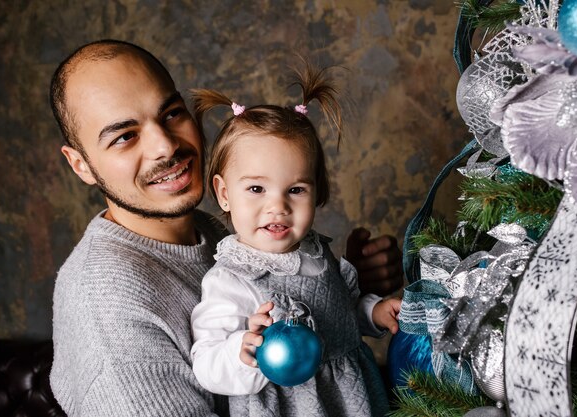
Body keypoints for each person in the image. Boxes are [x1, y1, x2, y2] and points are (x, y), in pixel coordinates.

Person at [48, 39, 403, 417]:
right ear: (80, 164)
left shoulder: (220, 231)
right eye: (124, 136)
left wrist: (347, 289)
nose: (164, 147)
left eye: (170, 114)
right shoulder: (106, 308)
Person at [189, 63, 402, 417]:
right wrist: (241, 350)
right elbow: (207, 362)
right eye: (256, 188)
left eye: (296, 189)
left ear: (317, 192)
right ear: (224, 194)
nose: (278, 206)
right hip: (289, 406)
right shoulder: (231, 279)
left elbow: (339, 315)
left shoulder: (317, 252)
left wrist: (372, 312)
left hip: (351, 397)